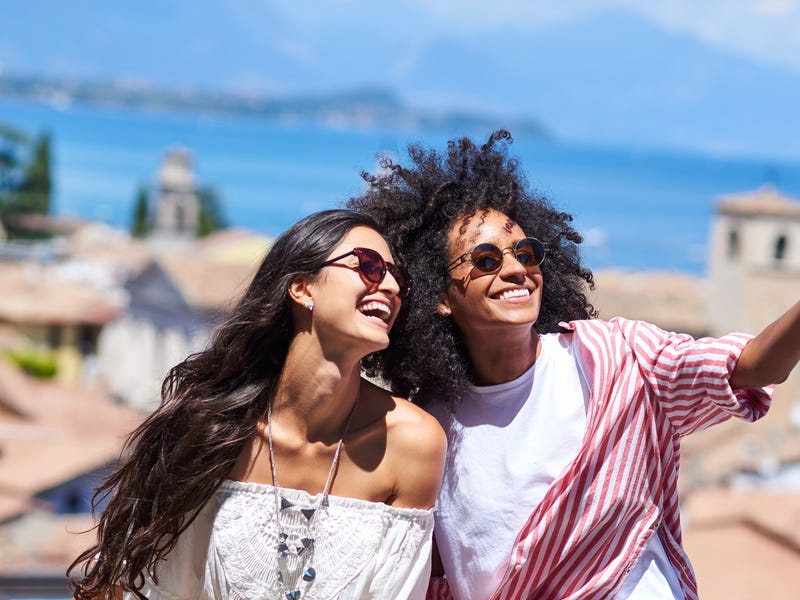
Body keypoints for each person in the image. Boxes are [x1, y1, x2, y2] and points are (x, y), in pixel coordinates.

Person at [348, 130, 800, 600]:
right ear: (441, 295)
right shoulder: (429, 429)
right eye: (485, 259)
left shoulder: (619, 359)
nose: (516, 269)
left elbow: (751, 366)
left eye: (526, 253)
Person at [68, 209, 447, 600]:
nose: (390, 286)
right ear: (302, 288)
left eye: (396, 276)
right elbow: (129, 581)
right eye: (368, 266)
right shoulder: (210, 427)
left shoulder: (412, 443)